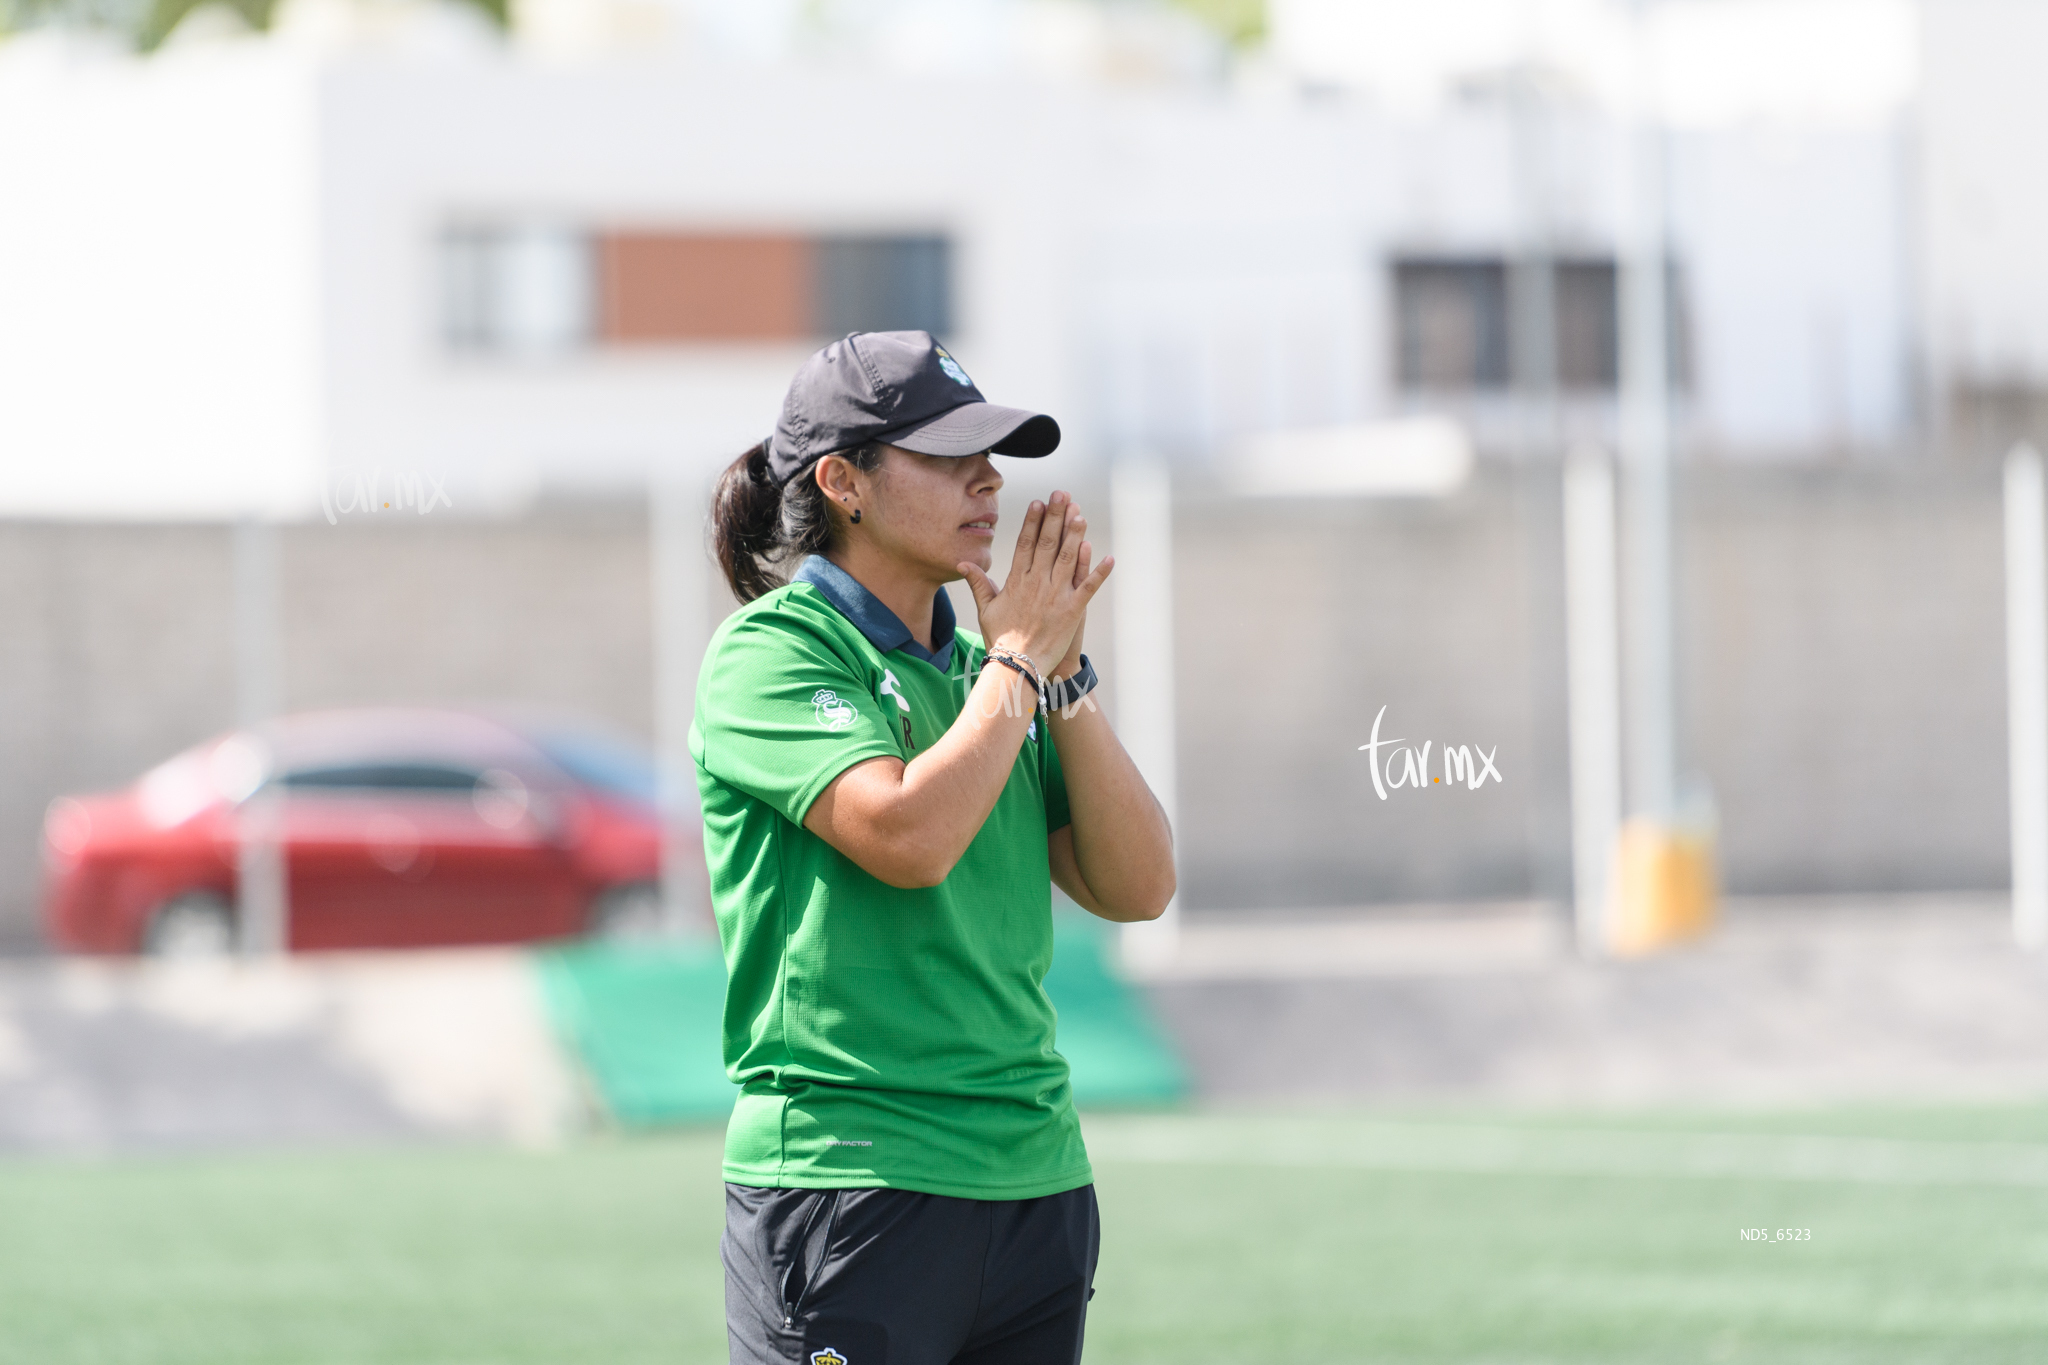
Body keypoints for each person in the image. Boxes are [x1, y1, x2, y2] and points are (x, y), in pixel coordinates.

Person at [694, 329, 1176, 1365]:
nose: (988, 481)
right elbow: (904, 837)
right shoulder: (770, 650)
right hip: (849, 1185)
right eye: (947, 455)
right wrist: (1014, 665)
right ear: (842, 482)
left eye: (991, 455)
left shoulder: (985, 675)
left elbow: (1138, 886)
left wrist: (1062, 679)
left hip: (1033, 1180)